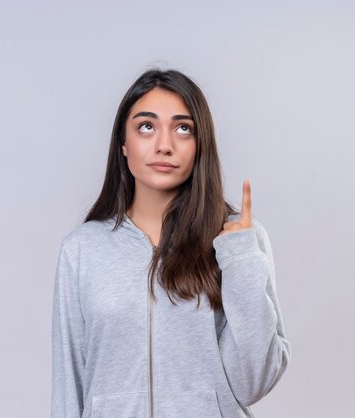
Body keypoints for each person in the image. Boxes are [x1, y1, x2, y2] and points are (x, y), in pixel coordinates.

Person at [51, 68, 290, 418]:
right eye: (146, 126)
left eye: (183, 128)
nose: (164, 145)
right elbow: (68, 387)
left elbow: (255, 380)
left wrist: (240, 257)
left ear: (199, 145)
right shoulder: (82, 250)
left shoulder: (236, 242)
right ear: (123, 143)